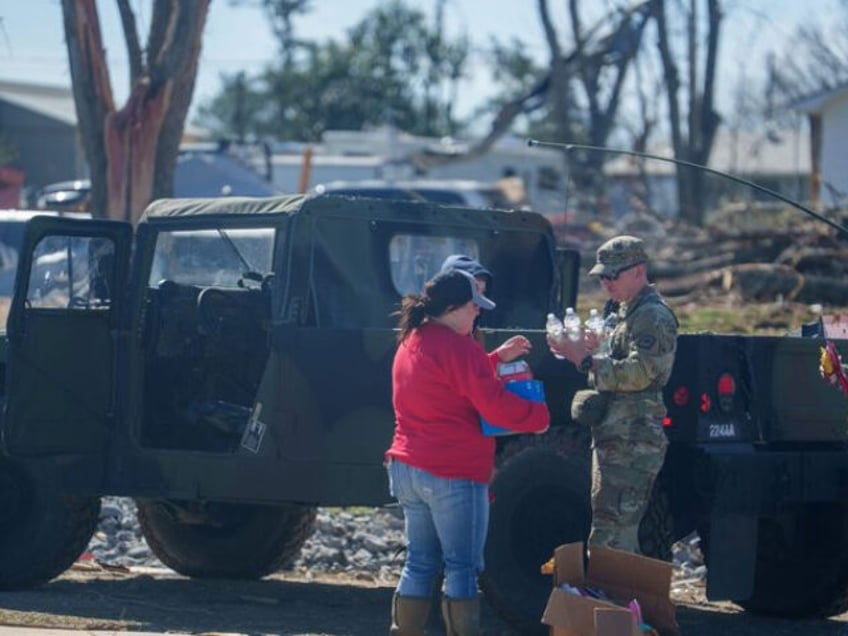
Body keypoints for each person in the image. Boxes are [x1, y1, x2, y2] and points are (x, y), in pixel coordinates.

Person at [386, 268, 550, 636]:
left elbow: (448, 379)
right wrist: (536, 417)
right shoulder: (460, 348)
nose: (479, 313)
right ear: (454, 307)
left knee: (419, 562)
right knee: (461, 567)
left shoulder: (412, 337)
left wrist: (491, 358)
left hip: (407, 467)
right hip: (453, 472)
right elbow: (492, 404)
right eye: (474, 307)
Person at [548, 235, 678, 554]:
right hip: (617, 436)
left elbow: (644, 371)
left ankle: (615, 601)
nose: (606, 282)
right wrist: (592, 349)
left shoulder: (652, 315)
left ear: (639, 271)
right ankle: (618, 601)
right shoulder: (624, 313)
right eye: (602, 276)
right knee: (609, 526)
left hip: (633, 438)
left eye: (613, 275)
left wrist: (586, 359)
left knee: (613, 536)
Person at [439, 254, 531, 366]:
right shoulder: (435, 340)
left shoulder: (473, 334)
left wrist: (497, 357)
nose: (478, 309)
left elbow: (472, 371)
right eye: (473, 293)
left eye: (482, 293)